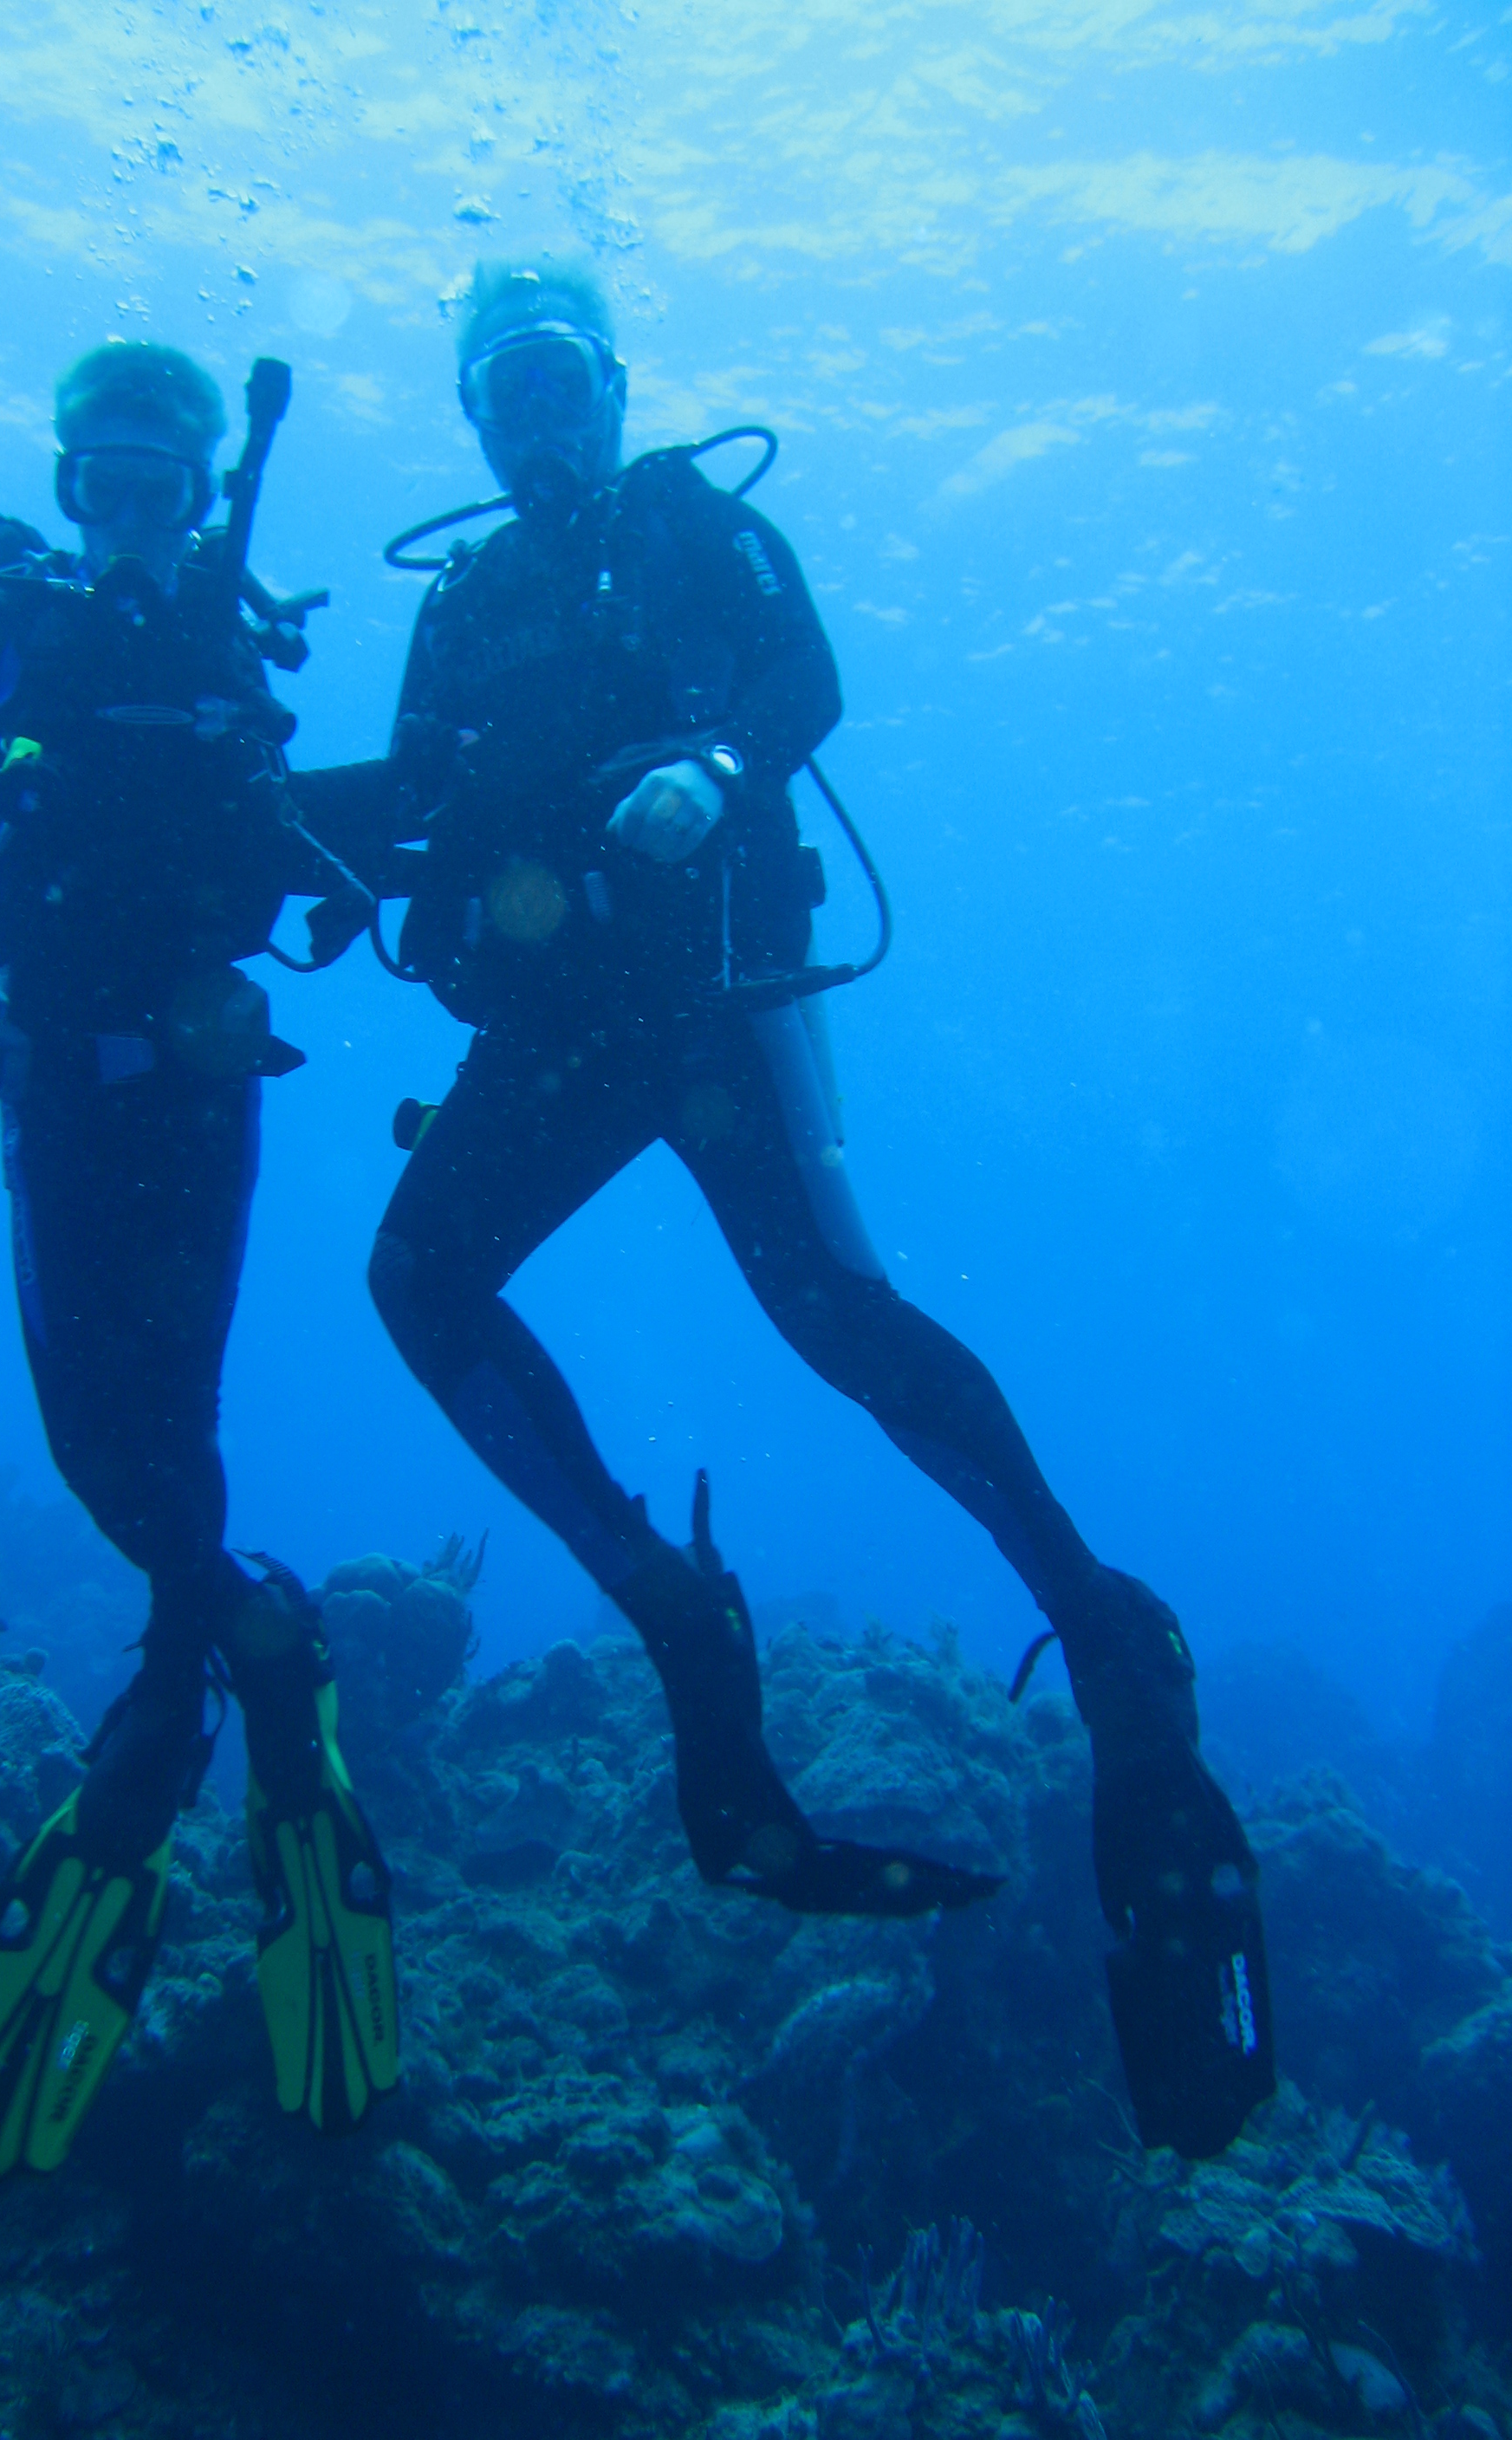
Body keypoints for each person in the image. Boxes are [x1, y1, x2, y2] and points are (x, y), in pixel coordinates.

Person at [363, 260, 1275, 2158]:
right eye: (503, 395)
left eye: (561, 383)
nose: (539, 425)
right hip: (554, 1038)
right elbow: (419, 807)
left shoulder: (698, 524)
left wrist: (709, 763)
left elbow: (809, 680)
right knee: (418, 1271)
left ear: (612, 391)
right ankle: (668, 1598)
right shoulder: (459, 604)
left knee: (836, 1321)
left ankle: (1103, 1628)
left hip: (708, 1008)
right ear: (472, 419)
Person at [0, 341, 410, 2176]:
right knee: (99, 1437)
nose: (135, 511)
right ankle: (247, 1634)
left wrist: (352, 868)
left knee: (161, 1412)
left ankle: (176, 1703)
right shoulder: (6, 638)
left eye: (167, 481)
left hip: (200, 1102)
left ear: (201, 491)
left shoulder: (226, 657)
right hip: (48, 1096)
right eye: (103, 478)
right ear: (66, 482)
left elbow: (290, 844)